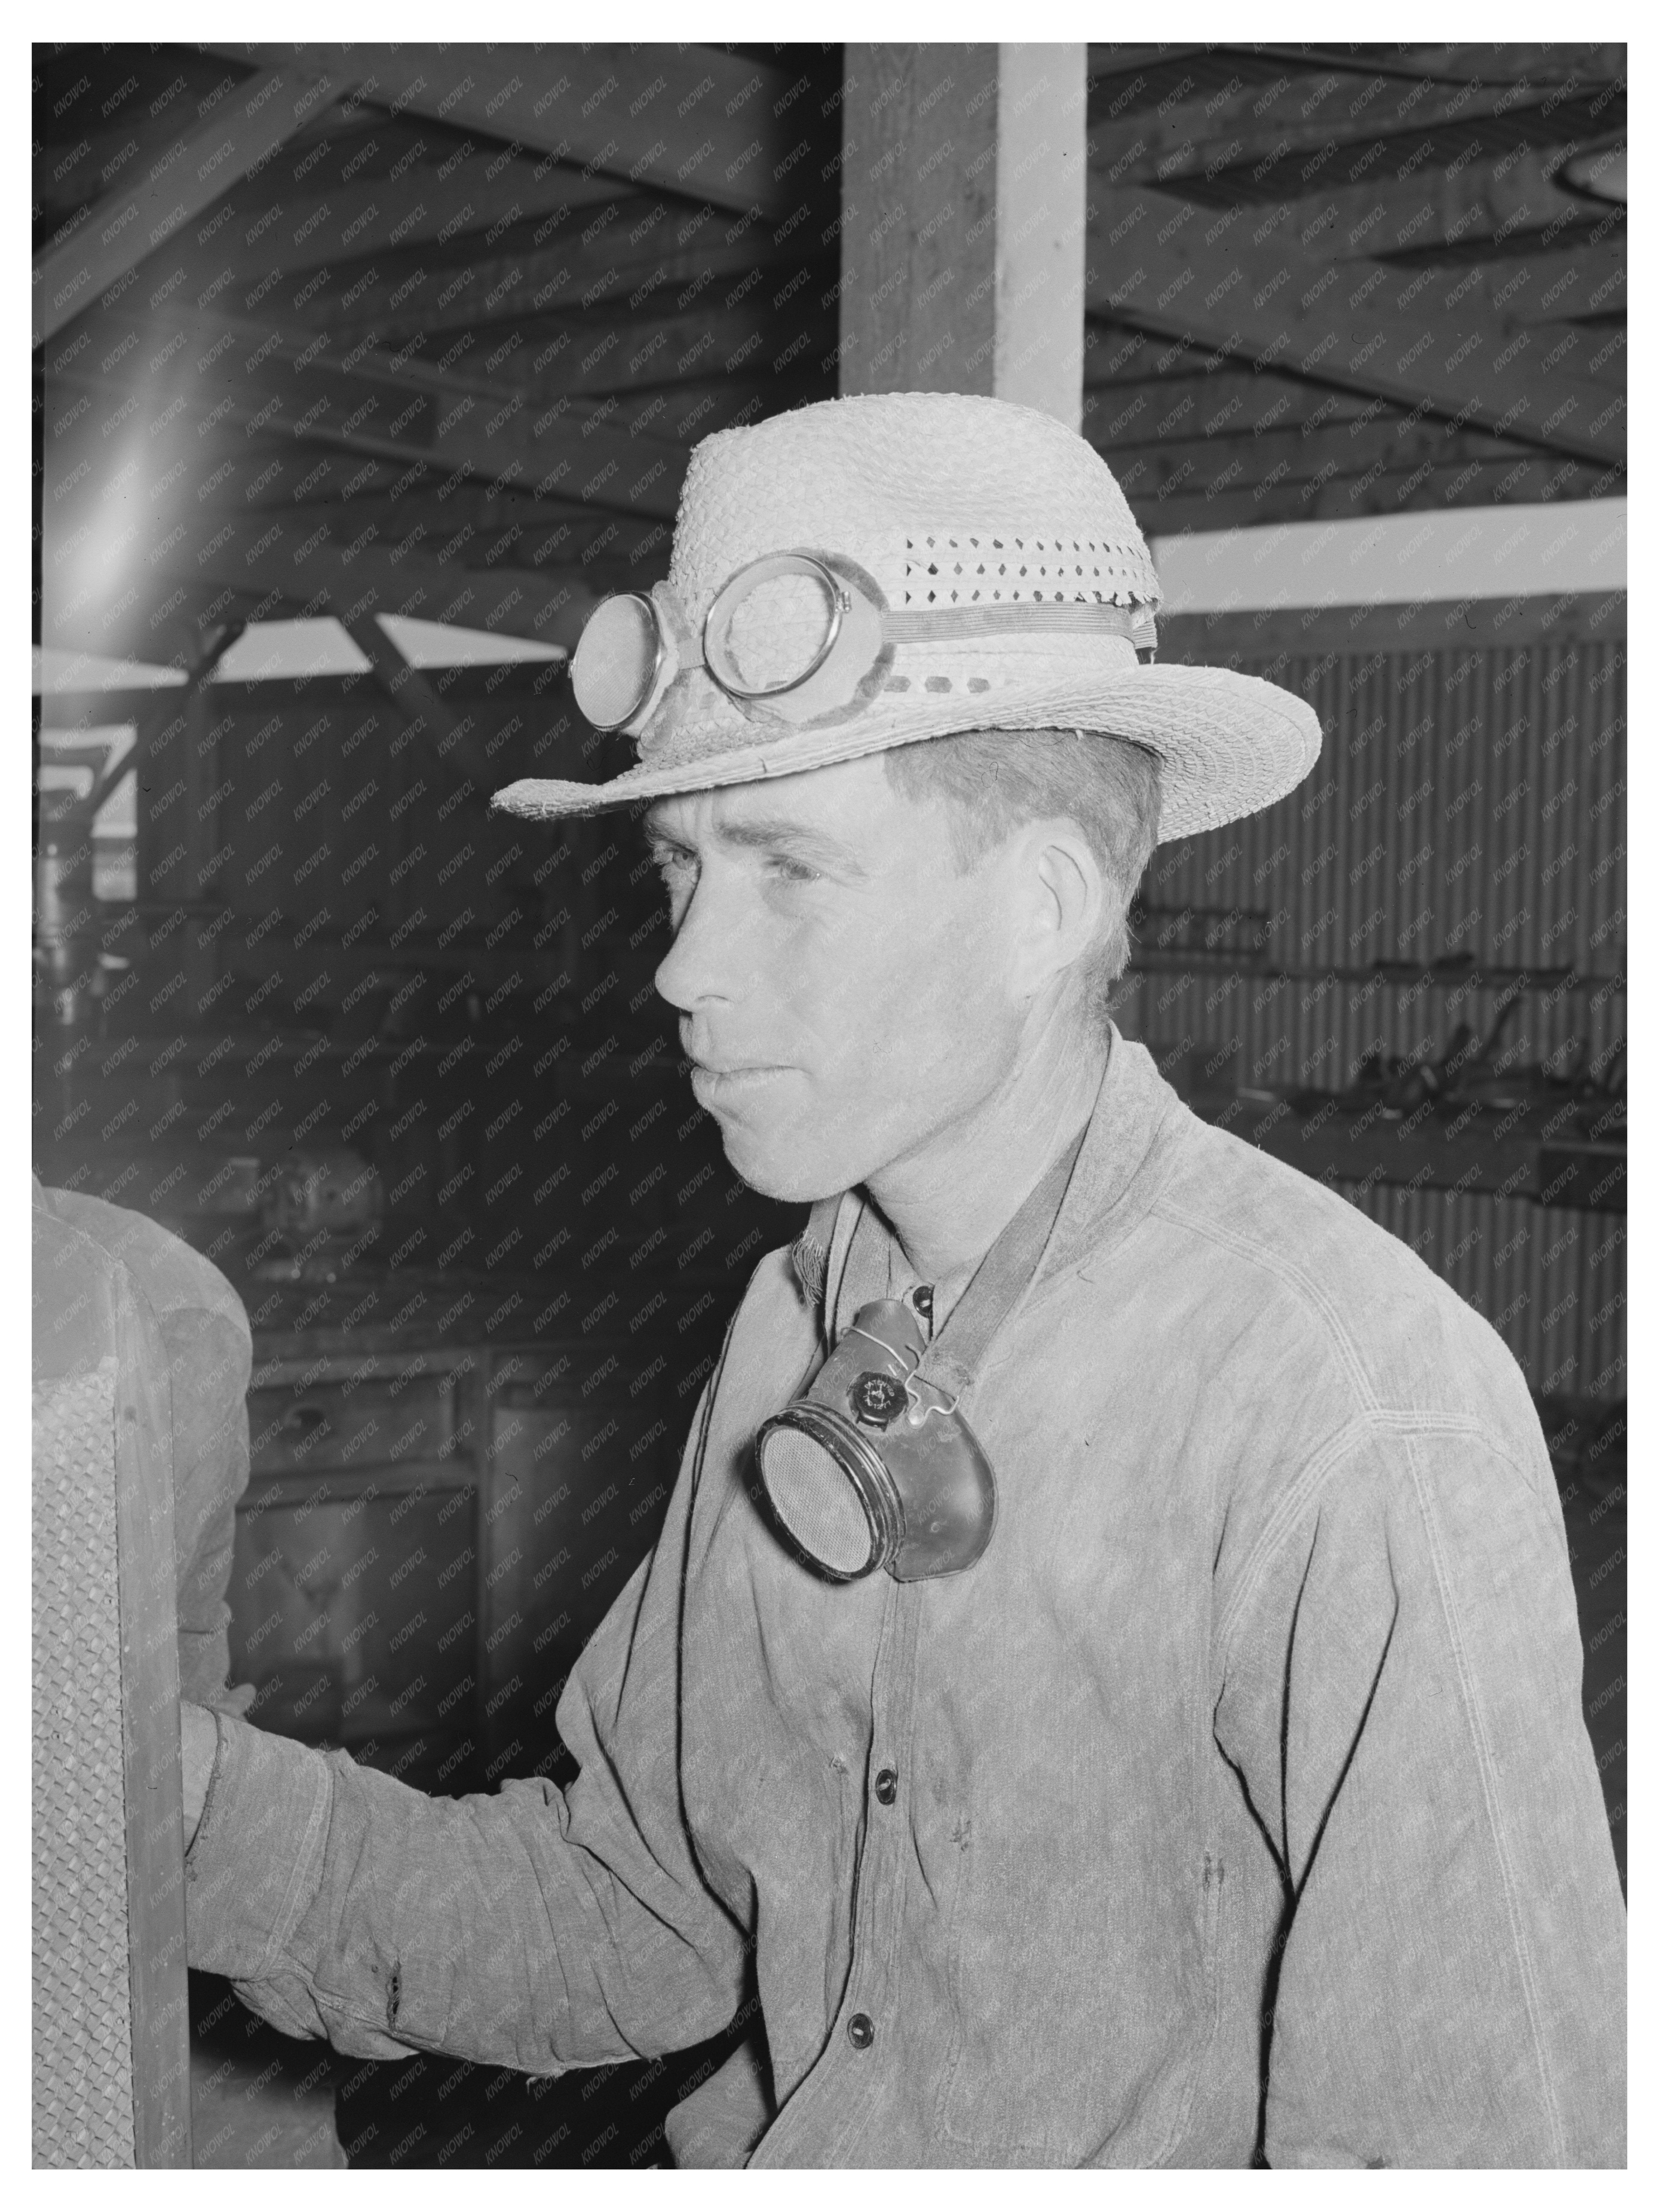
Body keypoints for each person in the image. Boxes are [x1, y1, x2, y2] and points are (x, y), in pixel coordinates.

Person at [179, 392, 1625, 2168]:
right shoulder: (798, 1320)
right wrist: (161, 1801)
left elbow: (1482, 2153)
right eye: (683, 868)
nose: (687, 968)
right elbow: (631, 1917)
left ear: (1043, 908)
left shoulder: (1346, 1409)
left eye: (790, 872)